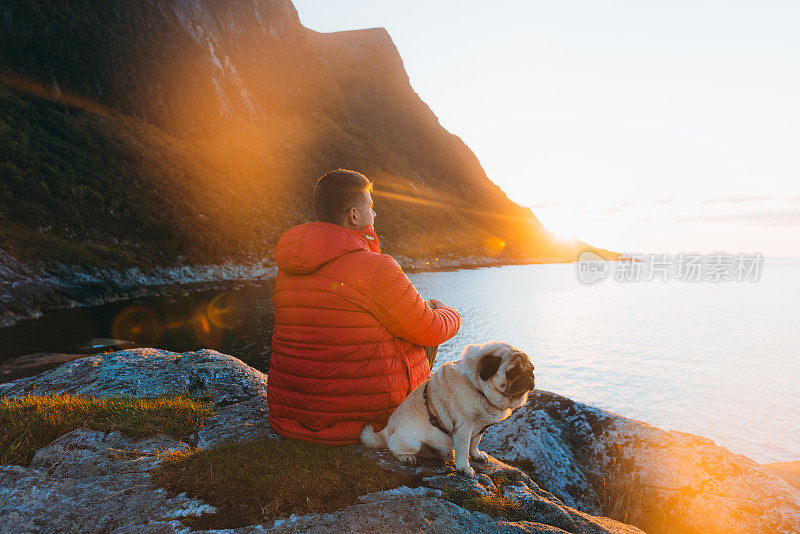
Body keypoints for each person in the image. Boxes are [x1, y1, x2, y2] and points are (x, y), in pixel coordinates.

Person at [267, 169, 461, 445]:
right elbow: (430, 329)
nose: (375, 214)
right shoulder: (375, 268)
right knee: (424, 322)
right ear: (354, 215)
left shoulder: (288, 270)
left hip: (291, 416)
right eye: (371, 207)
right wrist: (449, 313)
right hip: (362, 423)